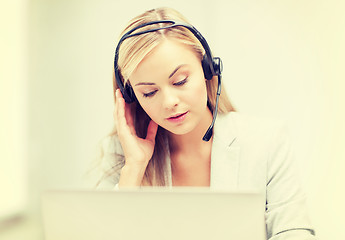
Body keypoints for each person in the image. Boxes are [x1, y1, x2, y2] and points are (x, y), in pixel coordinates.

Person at [96, 7, 316, 240]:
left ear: (208, 69)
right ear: (131, 98)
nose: (169, 102)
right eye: (149, 92)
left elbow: (294, 232)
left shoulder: (267, 142)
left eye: (180, 81)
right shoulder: (122, 155)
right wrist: (134, 169)